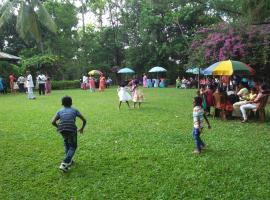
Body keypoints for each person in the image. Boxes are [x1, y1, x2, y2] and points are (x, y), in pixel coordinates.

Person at [51, 96, 87, 172]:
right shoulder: (74, 110)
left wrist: (59, 127)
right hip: (71, 129)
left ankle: (69, 161)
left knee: (67, 143)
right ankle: (64, 163)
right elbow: (84, 120)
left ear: (62, 104)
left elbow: (53, 122)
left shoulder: (60, 111)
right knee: (73, 146)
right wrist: (82, 128)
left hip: (62, 130)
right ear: (71, 103)